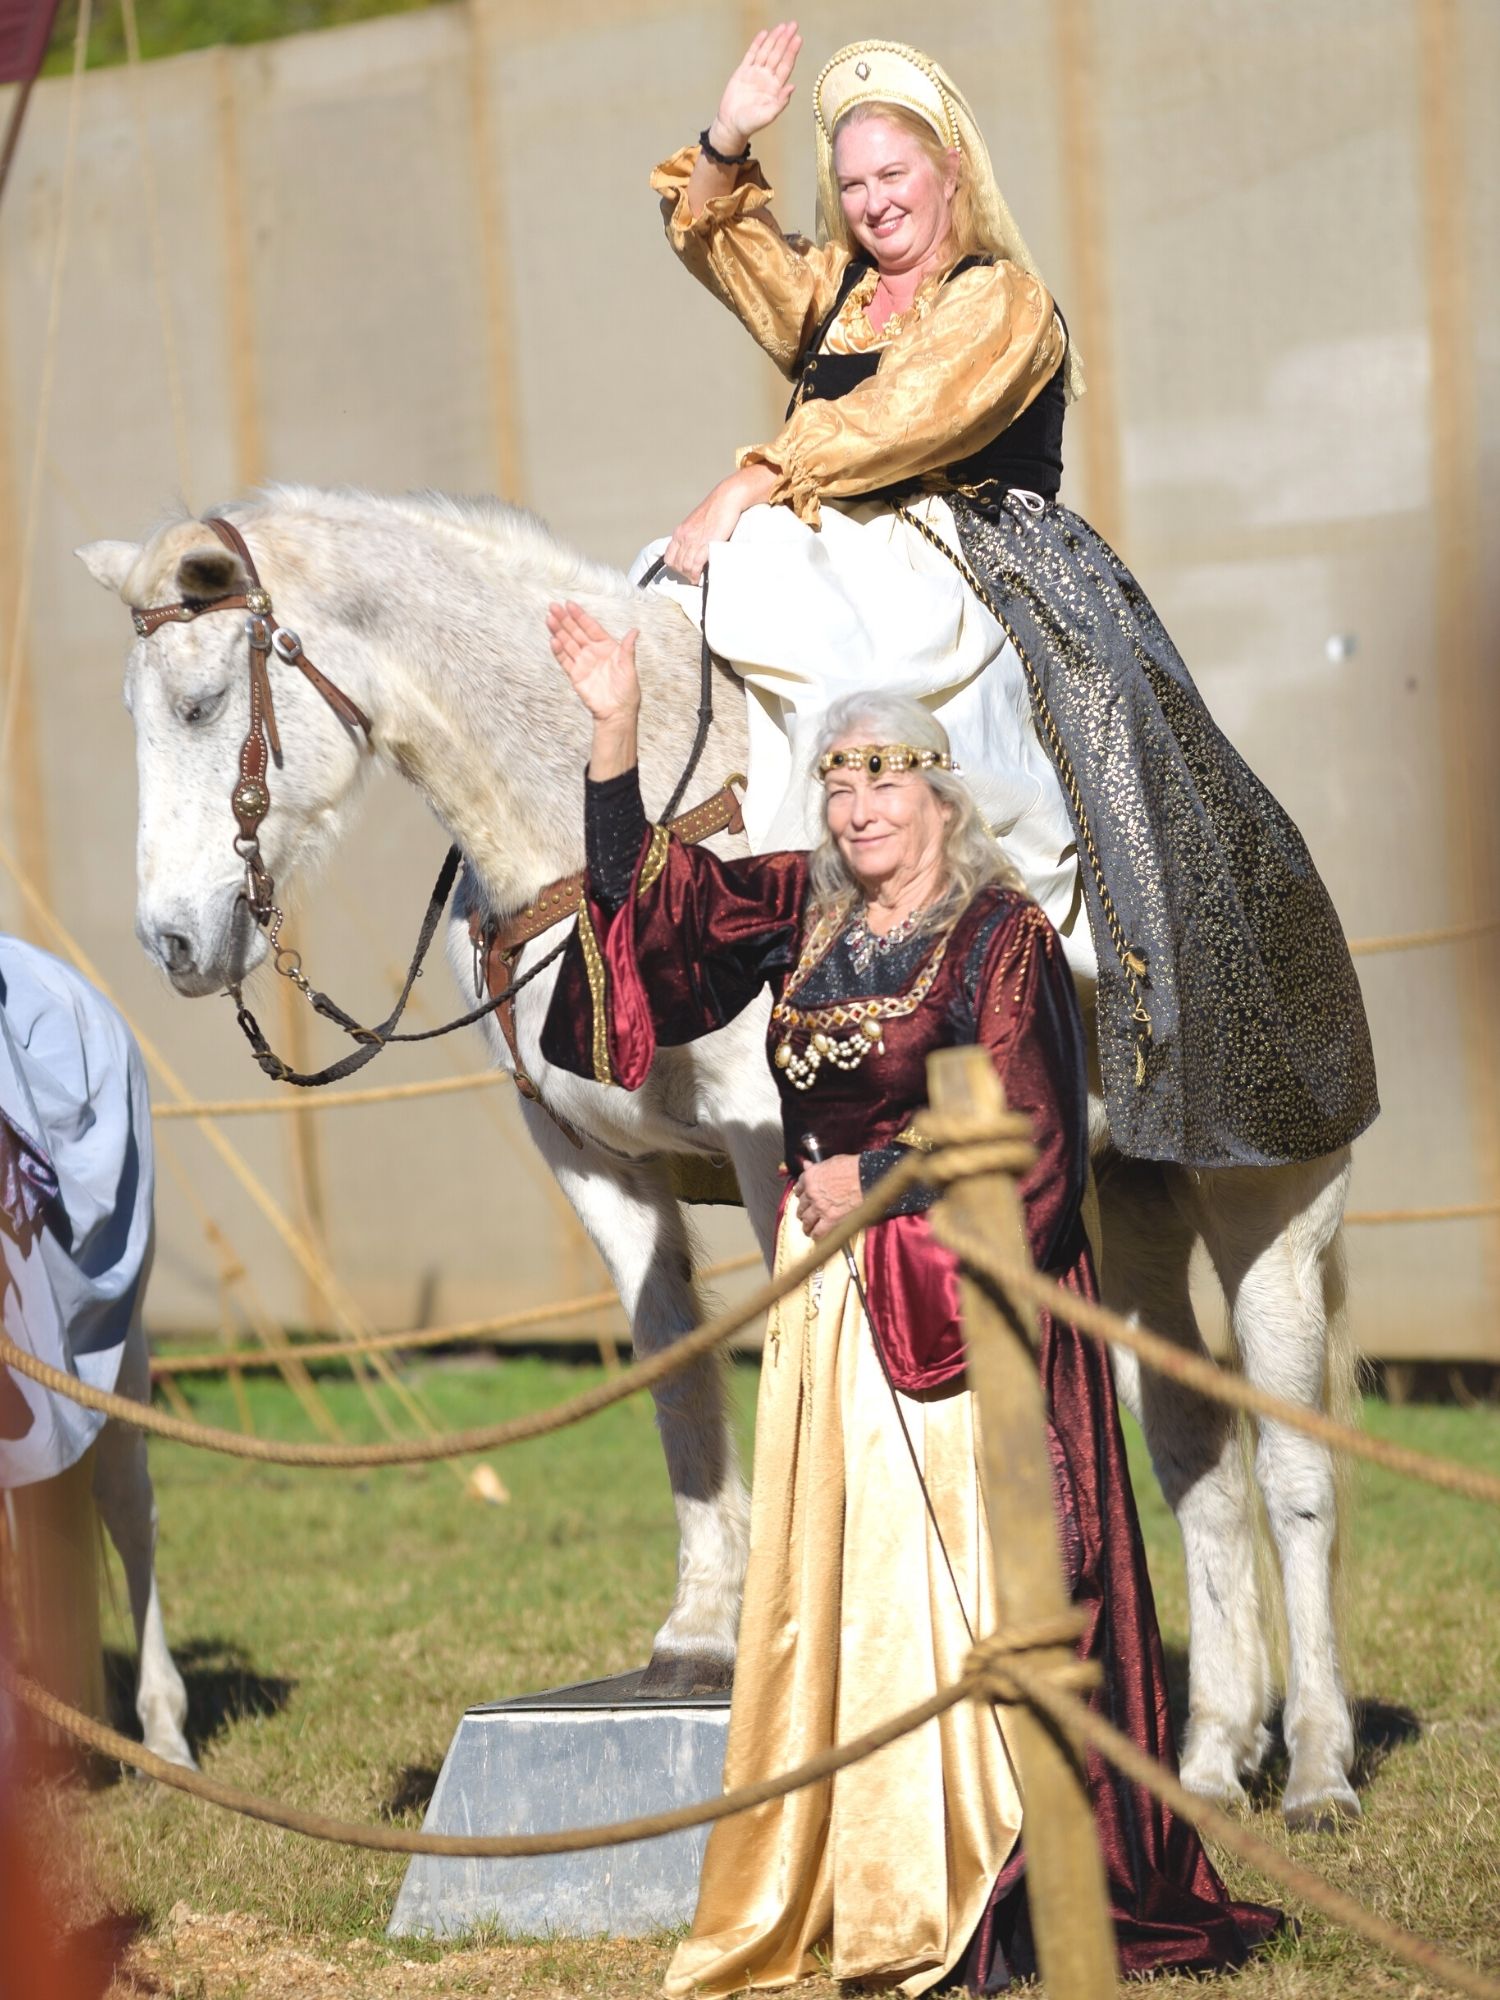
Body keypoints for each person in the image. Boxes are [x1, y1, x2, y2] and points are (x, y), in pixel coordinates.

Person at [539, 599, 1281, 1994]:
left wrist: (872, 1173)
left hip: (958, 1320)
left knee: (944, 1601)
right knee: (843, 1604)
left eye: (884, 768)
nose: (856, 794)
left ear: (940, 789)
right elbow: (654, 912)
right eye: (835, 771)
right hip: (830, 1317)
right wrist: (613, 725)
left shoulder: (997, 939)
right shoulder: (807, 912)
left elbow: (1031, 1134)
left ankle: (986, 1860)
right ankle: (858, 1861)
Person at [639, 26, 1377, 1173]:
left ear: (951, 175)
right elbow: (735, 251)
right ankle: (754, 897)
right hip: (837, 535)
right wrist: (728, 136)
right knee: (693, 591)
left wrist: (755, 475)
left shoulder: (1004, 302)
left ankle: (1016, 931)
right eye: (852, 183)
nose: (874, 201)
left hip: (976, 551)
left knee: (868, 657)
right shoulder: (840, 293)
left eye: (895, 175)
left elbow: (902, 421)